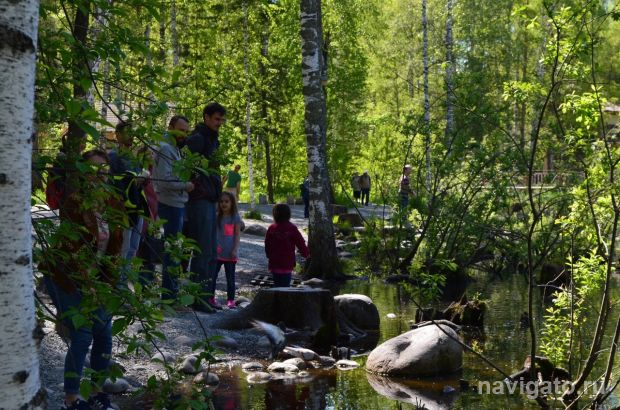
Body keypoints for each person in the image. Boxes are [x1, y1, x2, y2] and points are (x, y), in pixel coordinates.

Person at [39, 150, 123, 410]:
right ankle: (71, 399)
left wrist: (107, 287)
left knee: (104, 331)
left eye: (104, 169)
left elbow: (115, 250)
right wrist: (89, 289)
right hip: (65, 276)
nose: (99, 175)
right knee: (83, 332)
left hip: (95, 280)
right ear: (82, 174)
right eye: (93, 170)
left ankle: (97, 394)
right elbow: (73, 254)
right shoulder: (74, 203)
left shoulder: (113, 203)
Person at [185, 102, 226, 312]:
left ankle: (207, 296)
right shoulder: (198, 138)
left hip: (210, 199)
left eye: (221, 120)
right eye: (217, 119)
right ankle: (197, 298)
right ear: (206, 117)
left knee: (210, 251)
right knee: (202, 250)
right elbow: (184, 164)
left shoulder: (212, 139)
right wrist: (193, 185)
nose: (220, 123)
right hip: (199, 200)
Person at [152, 115, 194, 300]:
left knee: (175, 249)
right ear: (170, 127)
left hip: (176, 204)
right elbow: (164, 180)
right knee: (171, 250)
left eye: (185, 131)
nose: (182, 134)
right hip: (169, 204)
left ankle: (171, 294)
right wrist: (186, 185)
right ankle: (169, 297)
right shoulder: (166, 149)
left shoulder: (175, 150)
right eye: (180, 129)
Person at [108, 121, 149, 265]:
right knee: (123, 249)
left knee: (133, 248)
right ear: (117, 135)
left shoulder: (133, 158)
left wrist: (144, 177)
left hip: (137, 207)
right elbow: (115, 182)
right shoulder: (113, 156)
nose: (131, 137)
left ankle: (124, 283)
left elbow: (139, 182)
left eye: (133, 134)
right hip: (124, 209)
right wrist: (135, 179)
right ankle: (118, 284)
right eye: (128, 133)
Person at [265, 203, 310, 287]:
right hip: (287, 263)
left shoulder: (272, 228)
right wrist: (306, 254)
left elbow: (267, 243)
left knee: (277, 284)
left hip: (274, 262)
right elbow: (300, 242)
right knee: (285, 286)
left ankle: (277, 298)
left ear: (275, 214)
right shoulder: (292, 228)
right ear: (288, 214)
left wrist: (268, 255)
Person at [212, 191, 242, 309]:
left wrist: (235, 249)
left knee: (230, 279)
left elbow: (237, 235)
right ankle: (211, 297)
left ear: (232, 203)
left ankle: (230, 300)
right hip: (217, 253)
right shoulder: (216, 216)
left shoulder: (235, 217)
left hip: (230, 254)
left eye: (226, 201)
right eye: (221, 202)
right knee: (213, 276)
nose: (223, 204)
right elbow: (213, 234)